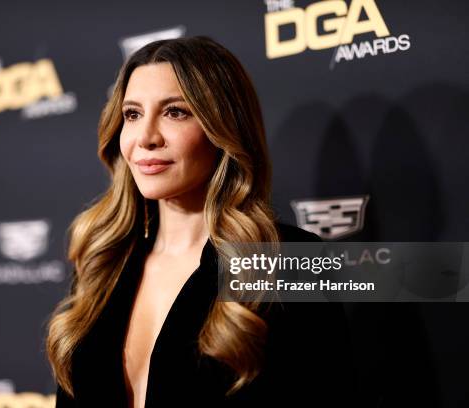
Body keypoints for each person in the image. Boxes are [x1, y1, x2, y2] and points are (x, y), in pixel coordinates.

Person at [46, 36, 356, 407]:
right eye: (132, 114)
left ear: (222, 127)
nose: (145, 137)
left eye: (175, 112)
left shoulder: (289, 261)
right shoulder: (104, 263)